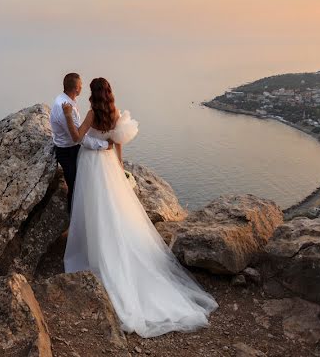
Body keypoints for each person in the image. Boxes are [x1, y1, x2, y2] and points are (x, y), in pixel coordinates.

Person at [64, 77, 218, 337]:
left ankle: (97, 256)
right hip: (109, 165)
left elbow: (77, 137)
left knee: (94, 212)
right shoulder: (114, 113)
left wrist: (69, 116)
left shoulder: (91, 113)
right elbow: (119, 145)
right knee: (114, 212)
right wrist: (120, 170)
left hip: (91, 165)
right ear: (109, 93)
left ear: (92, 93)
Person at [50, 73, 111, 212]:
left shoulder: (66, 101)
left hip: (72, 149)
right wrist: (105, 145)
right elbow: (77, 137)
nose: (82, 87)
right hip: (68, 152)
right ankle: (73, 219)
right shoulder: (64, 107)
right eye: (81, 85)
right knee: (75, 188)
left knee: (83, 184)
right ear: (76, 88)